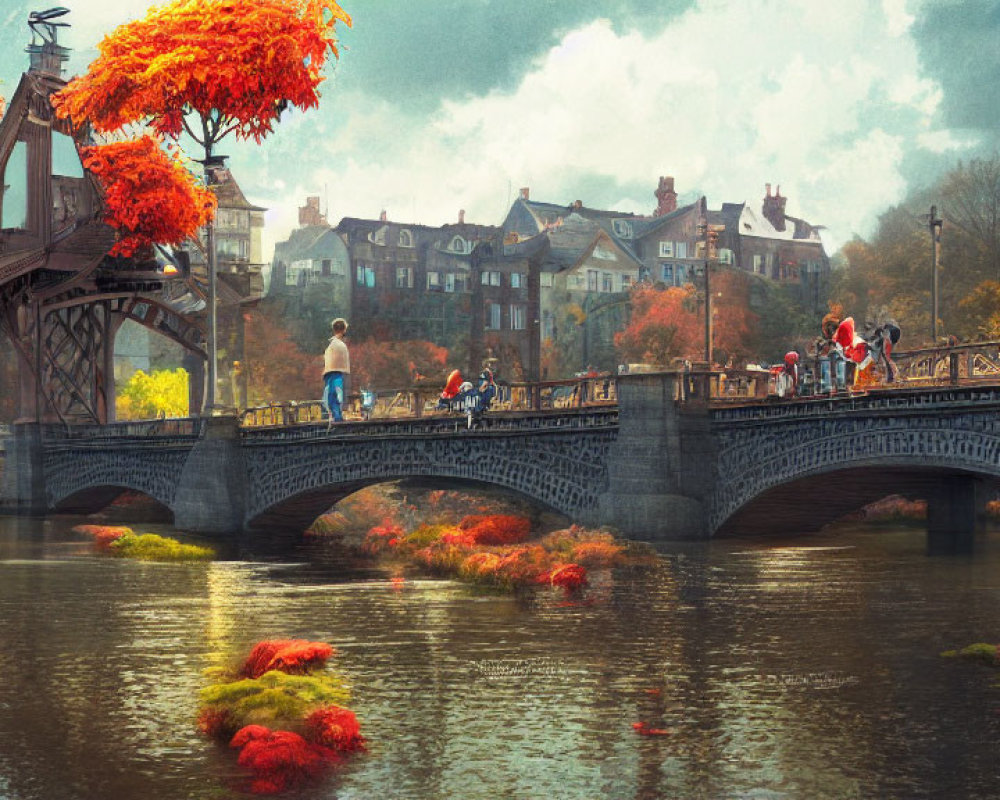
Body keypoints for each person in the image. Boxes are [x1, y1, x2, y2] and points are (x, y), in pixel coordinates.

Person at [323, 318, 350, 422]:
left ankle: (335, 416)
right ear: (344, 330)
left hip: (330, 373)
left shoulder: (331, 344)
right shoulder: (340, 345)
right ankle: (337, 417)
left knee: (331, 396)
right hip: (337, 373)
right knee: (336, 395)